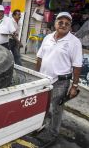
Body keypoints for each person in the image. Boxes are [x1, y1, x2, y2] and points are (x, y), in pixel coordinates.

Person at [35, 12, 82, 147]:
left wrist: (74, 86)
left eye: (67, 23)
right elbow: (40, 58)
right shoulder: (48, 38)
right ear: (55, 23)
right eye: (60, 22)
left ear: (70, 26)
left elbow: (77, 65)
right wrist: (35, 75)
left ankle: (53, 133)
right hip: (43, 79)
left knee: (56, 108)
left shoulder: (74, 42)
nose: (63, 25)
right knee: (43, 105)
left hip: (60, 81)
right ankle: (43, 125)